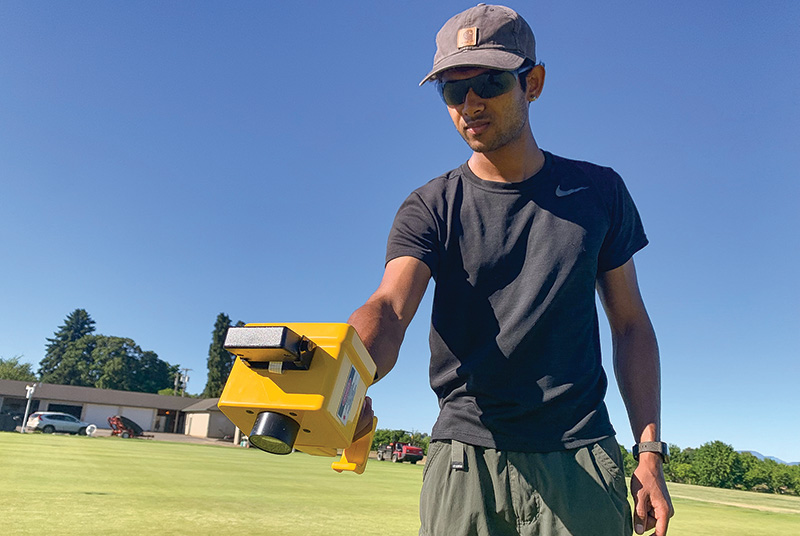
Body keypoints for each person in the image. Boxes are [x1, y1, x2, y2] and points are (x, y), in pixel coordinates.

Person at [348, 4, 674, 536]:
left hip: (582, 457)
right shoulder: (429, 206)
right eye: (453, 91)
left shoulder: (600, 193)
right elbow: (389, 307)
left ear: (534, 83)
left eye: (490, 82)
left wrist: (649, 451)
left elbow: (631, 325)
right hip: (465, 460)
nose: (470, 104)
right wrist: (348, 379)